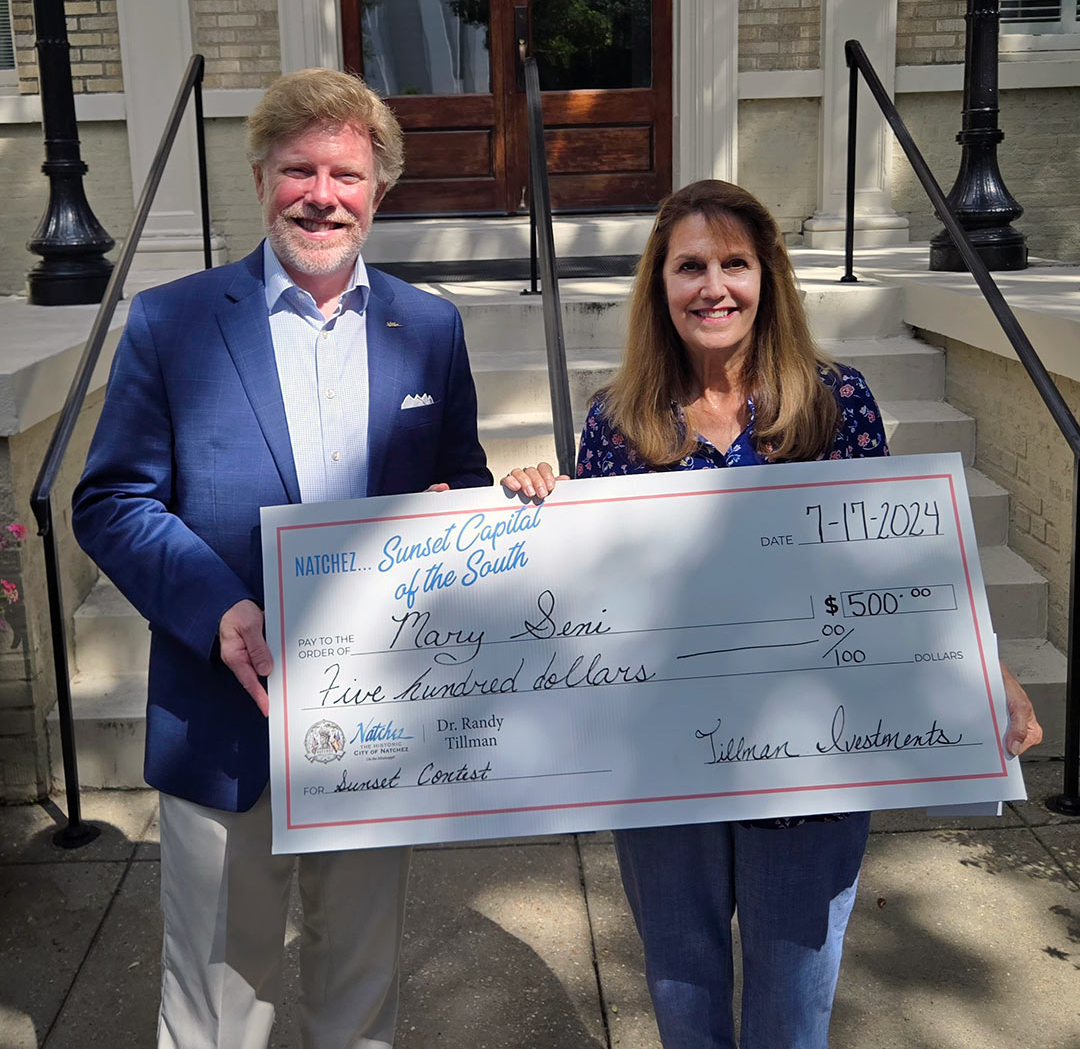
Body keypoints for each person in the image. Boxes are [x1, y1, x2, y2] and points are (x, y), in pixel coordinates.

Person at [502, 179, 1043, 1048]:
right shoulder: (616, 421)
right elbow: (594, 590)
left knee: (793, 1001)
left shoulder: (836, 401)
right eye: (689, 267)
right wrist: (542, 507)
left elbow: (894, 565)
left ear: (768, 278)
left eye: (734, 264)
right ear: (659, 287)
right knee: (683, 987)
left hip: (809, 756)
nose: (713, 287)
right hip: (662, 761)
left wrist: (984, 660)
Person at [72, 68, 491, 1049]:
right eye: (297, 170)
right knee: (218, 997)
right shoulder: (172, 323)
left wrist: (470, 510)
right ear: (260, 179)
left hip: (376, 714)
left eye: (346, 175)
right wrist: (215, 607)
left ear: (378, 191)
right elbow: (110, 500)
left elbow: (458, 485)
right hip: (225, 709)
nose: (321, 195)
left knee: (361, 983)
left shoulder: (430, 329)